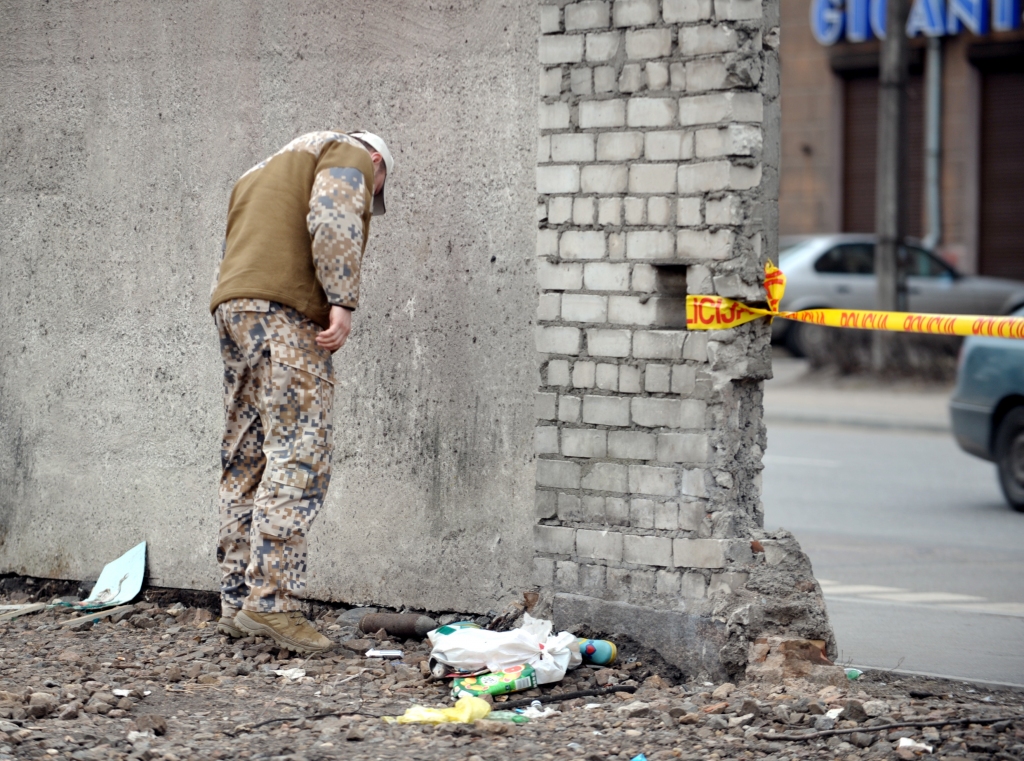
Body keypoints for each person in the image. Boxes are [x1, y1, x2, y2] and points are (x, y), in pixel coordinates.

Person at [208, 130, 393, 653]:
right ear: (377, 160)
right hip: (284, 316)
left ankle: (237, 600)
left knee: (245, 458)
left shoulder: (258, 171)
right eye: (375, 188)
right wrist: (342, 299)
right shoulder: (348, 150)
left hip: (233, 307)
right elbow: (334, 215)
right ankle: (272, 605)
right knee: (299, 453)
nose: (370, 196)